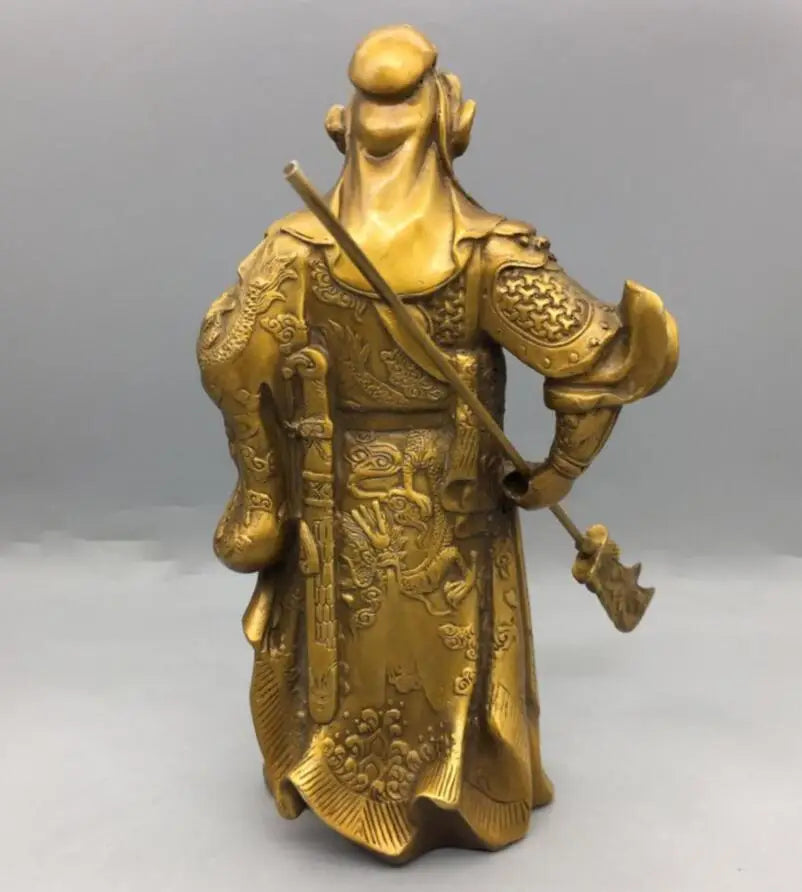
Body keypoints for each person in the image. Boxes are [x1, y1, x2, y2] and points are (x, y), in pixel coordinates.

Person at [196, 24, 678, 863]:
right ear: (453, 124)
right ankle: (456, 782)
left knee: (363, 637)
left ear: (342, 127)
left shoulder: (292, 253)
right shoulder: (492, 255)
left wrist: (262, 478)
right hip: (453, 493)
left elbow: (228, 358)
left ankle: (381, 785)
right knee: (444, 638)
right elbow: (604, 365)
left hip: (338, 488)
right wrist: (560, 470)